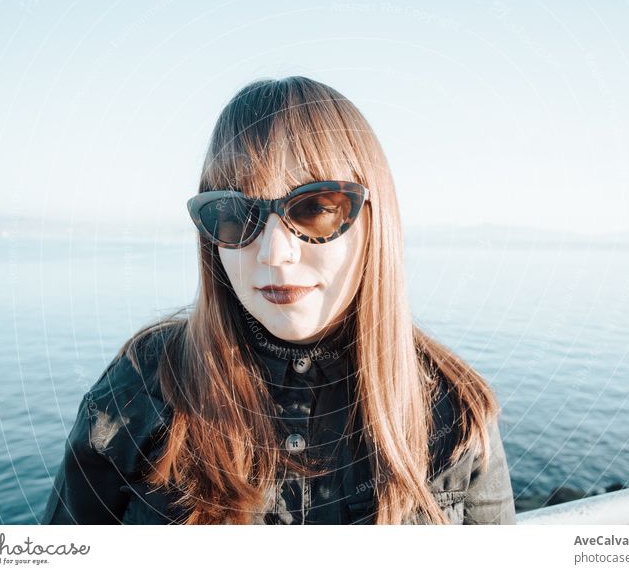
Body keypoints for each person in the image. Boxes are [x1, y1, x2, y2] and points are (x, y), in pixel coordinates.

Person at [40, 76, 516, 525]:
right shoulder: (143, 386)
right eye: (233, 214)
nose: (273, 253)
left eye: (315, 209)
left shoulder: (453, 409)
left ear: (376, 221)